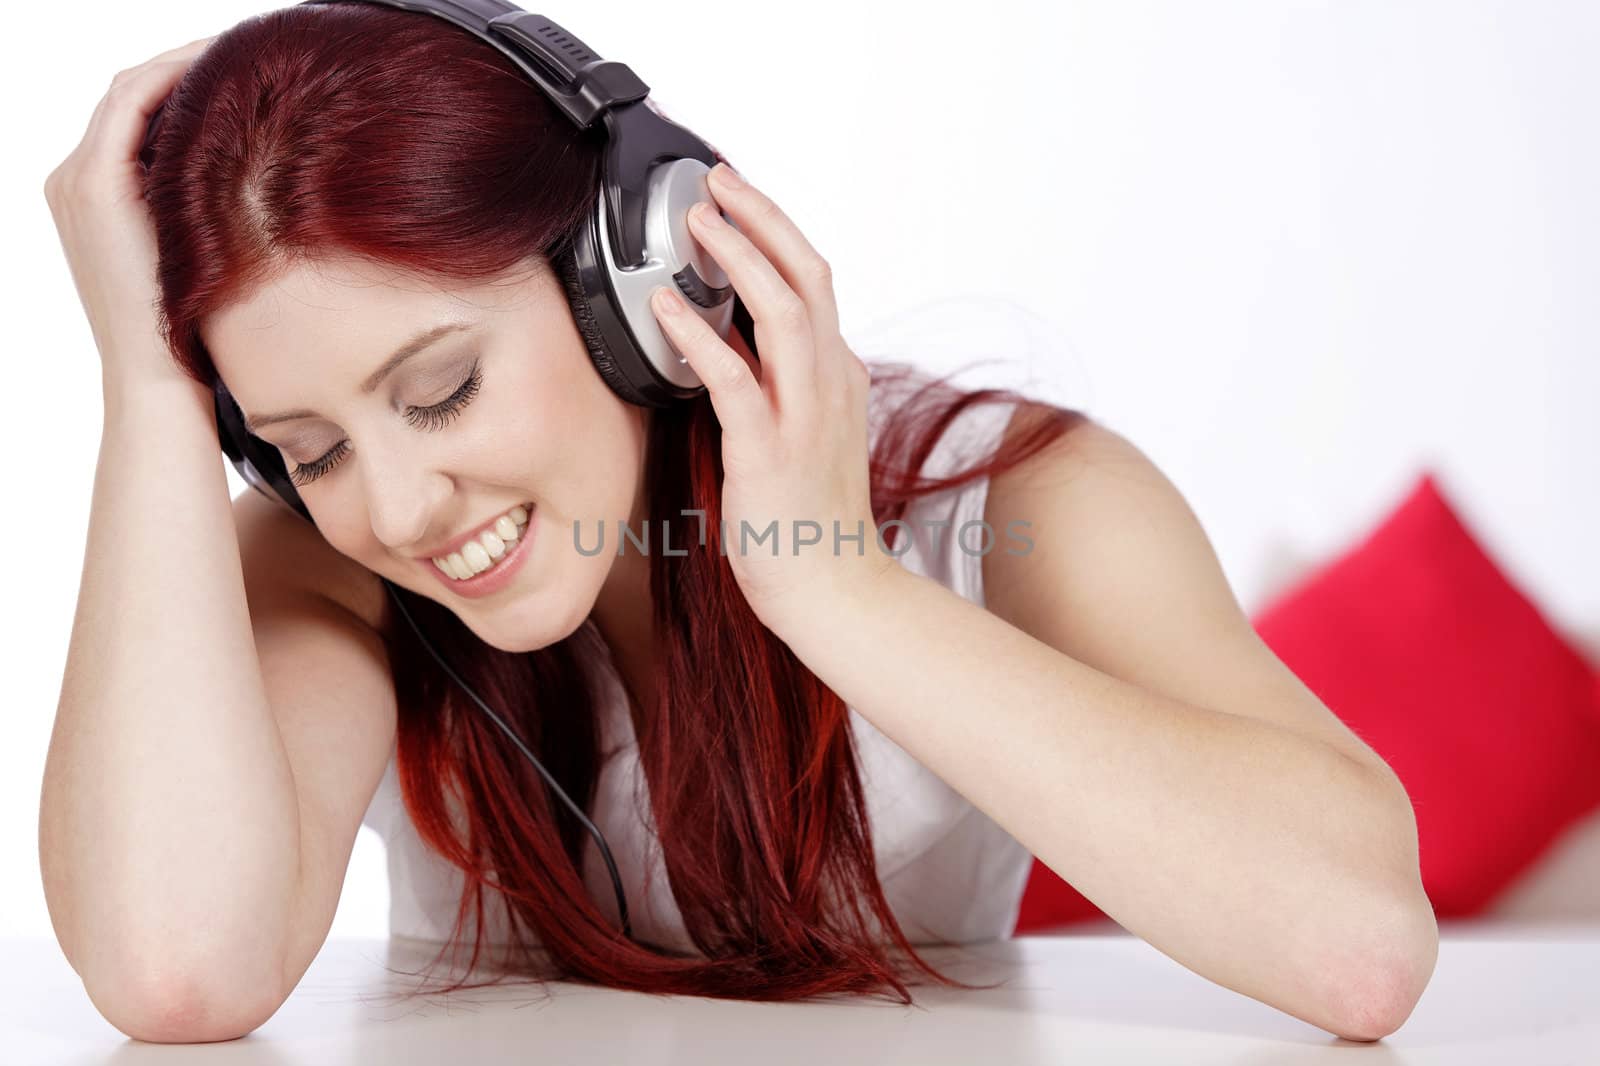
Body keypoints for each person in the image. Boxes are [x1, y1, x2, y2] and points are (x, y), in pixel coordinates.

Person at [39, 3, 1437, 1047]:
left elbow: (1360, 945)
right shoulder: (327, 565)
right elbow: (179, 966)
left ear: (632, 274)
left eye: (444, 389)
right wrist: (146, 384)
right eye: (310, 446)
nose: (398, 510)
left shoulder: (1008, 497)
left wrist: (833, 587)